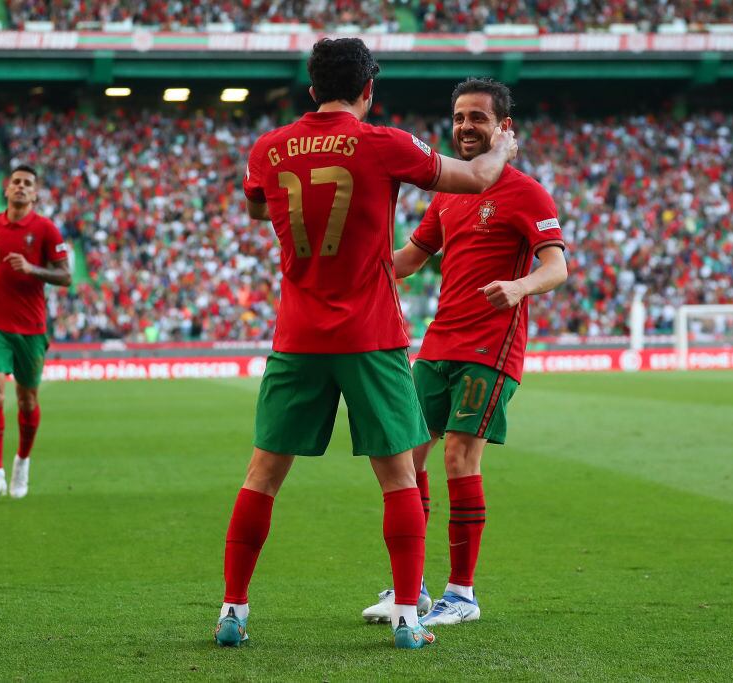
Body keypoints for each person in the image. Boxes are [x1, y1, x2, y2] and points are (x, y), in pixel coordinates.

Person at [214, 40, 518, 650]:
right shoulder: (385, 143)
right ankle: (408, 617)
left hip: (297, 335)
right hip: (372, 335)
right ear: (368, 89)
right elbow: (478, 177)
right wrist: (502, 146)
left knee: (262, 474)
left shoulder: (267, 148)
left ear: (310, 89)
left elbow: (254, 207)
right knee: (399, 475)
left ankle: (233, 611)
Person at [361, 77, 568, 627]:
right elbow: (406, 260)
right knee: (408, 458)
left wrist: (520, 287)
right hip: (439, 342)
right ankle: (414, 589)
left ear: (504, 127)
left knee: (459, 455)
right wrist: (352, 257)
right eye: (459, 117)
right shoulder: (450, 191)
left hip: (489, 345)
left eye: (478, 117)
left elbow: (557, 266)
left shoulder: (527, 192)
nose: (464, 126)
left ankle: (463, 594)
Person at [0, 165, 71, 501]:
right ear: (6, 189)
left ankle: (22, 462)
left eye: (28, 184)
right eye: (16, 182)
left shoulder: (46, 229)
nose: (21, 187)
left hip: (31, 327)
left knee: (27, 401)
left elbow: (66, 276)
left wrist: (31, 269)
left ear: (35, 193)